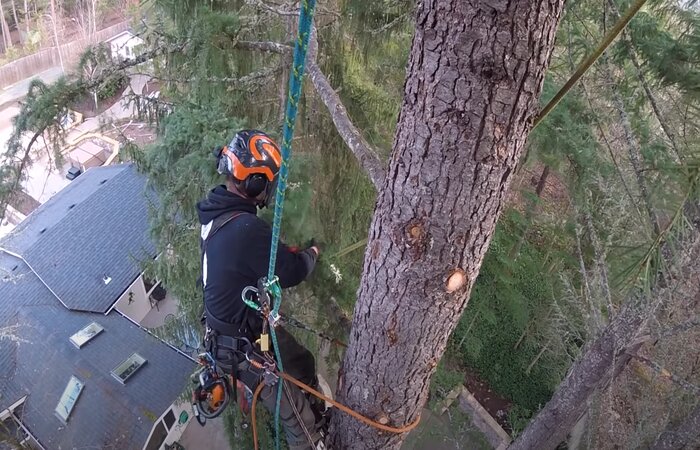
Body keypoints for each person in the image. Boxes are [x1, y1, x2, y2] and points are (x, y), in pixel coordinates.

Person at [196, 130, 325, 450]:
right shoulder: (245, 228)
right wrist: (312, 255)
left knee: (301, 361)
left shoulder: (217, 215)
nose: (269, 190)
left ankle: (319, 411)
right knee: (297, 421)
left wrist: (279, 255)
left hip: (248, 331)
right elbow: (292, 272)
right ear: (255, 183)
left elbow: (245, 262)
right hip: (242, 348)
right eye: (268, 183)